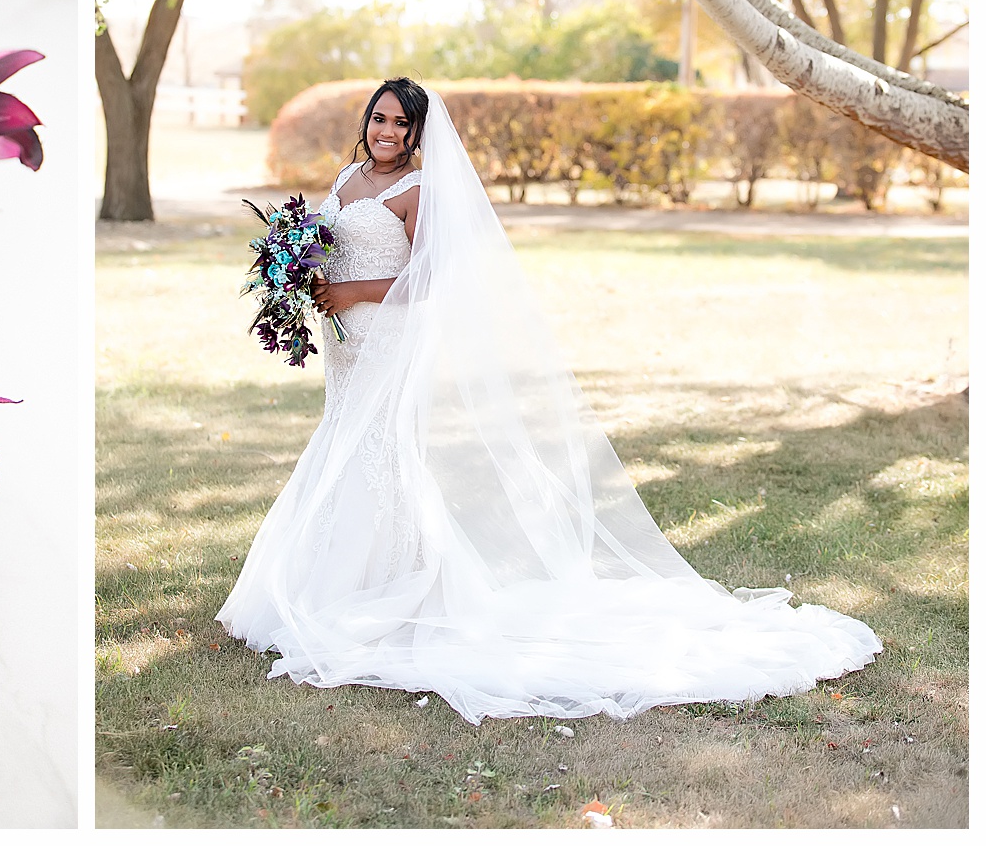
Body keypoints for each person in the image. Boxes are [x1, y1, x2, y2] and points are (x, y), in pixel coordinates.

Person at [216, 78, 881, 723]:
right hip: (344, 343)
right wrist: (301, 277)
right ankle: (332, 581)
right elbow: (326, 244)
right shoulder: (342, 179)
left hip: (386, 333)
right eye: (380, 118)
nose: (387, 131)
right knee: (342, 439)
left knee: (376, 448)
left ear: (417, 134)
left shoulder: (417, 190)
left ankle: (373, 590)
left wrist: (353, 294)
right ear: (366, 120)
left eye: (401, 123)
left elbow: (428, 282)